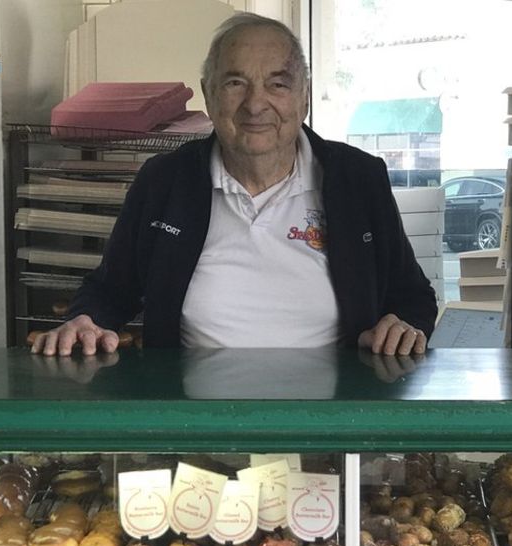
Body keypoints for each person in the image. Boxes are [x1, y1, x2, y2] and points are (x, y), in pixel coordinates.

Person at [32, 12, 437, 357]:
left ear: (304, 97)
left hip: (329, 422)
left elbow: (413, 297)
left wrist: (402, 325)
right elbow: (110, 290)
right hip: (196, 423)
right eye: (235, 83)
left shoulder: (358, 179)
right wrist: (84, 320)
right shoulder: (164, 181)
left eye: (278, 84)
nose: (255, 104)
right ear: (208, 95)